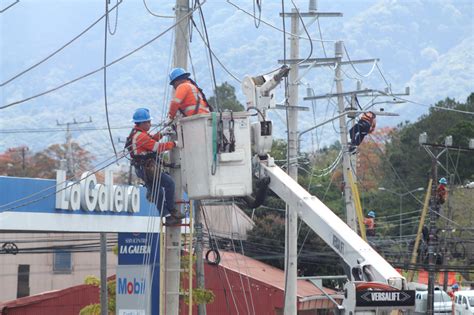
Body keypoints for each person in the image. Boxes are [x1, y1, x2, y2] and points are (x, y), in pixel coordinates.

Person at [126, 108, 183, 223]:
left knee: (158, 192)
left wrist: (162, 133)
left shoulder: (137, 134)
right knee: (169, 183)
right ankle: (171, 209)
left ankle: (167, 216)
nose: (150, 124)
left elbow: (151, 139)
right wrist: (175, 143)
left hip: (142, 168)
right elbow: (158, 147)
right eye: (148, 122)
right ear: (142, 123)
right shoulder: (141, 136)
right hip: (147, 169)